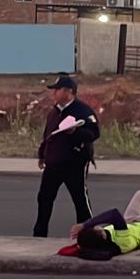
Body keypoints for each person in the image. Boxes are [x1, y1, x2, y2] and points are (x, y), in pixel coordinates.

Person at [33, 74, 100, 238]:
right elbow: (48, 134)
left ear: (69, 91)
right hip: (53, 163)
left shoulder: (82, 110)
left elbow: (93, 133)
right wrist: (42, 154)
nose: (54, 93)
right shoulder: (54, 112)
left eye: (57, 90)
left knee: (80, 200)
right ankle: (39, 235)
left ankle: (87, 234)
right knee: (44, 198)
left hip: (74, 164)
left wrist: (75, 132)